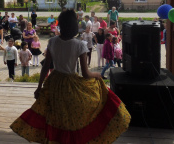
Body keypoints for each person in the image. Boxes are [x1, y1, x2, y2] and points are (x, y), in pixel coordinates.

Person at [10, 9, 130, 144]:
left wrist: (39, 87)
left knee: (56, 117)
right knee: (71, 119)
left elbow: (45, 67)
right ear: (74, 26)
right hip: (71, 85)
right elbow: (86, 74)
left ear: (61, 24)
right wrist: (98, 75)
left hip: (54, 83)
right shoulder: (79, 45)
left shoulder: (52, 41)